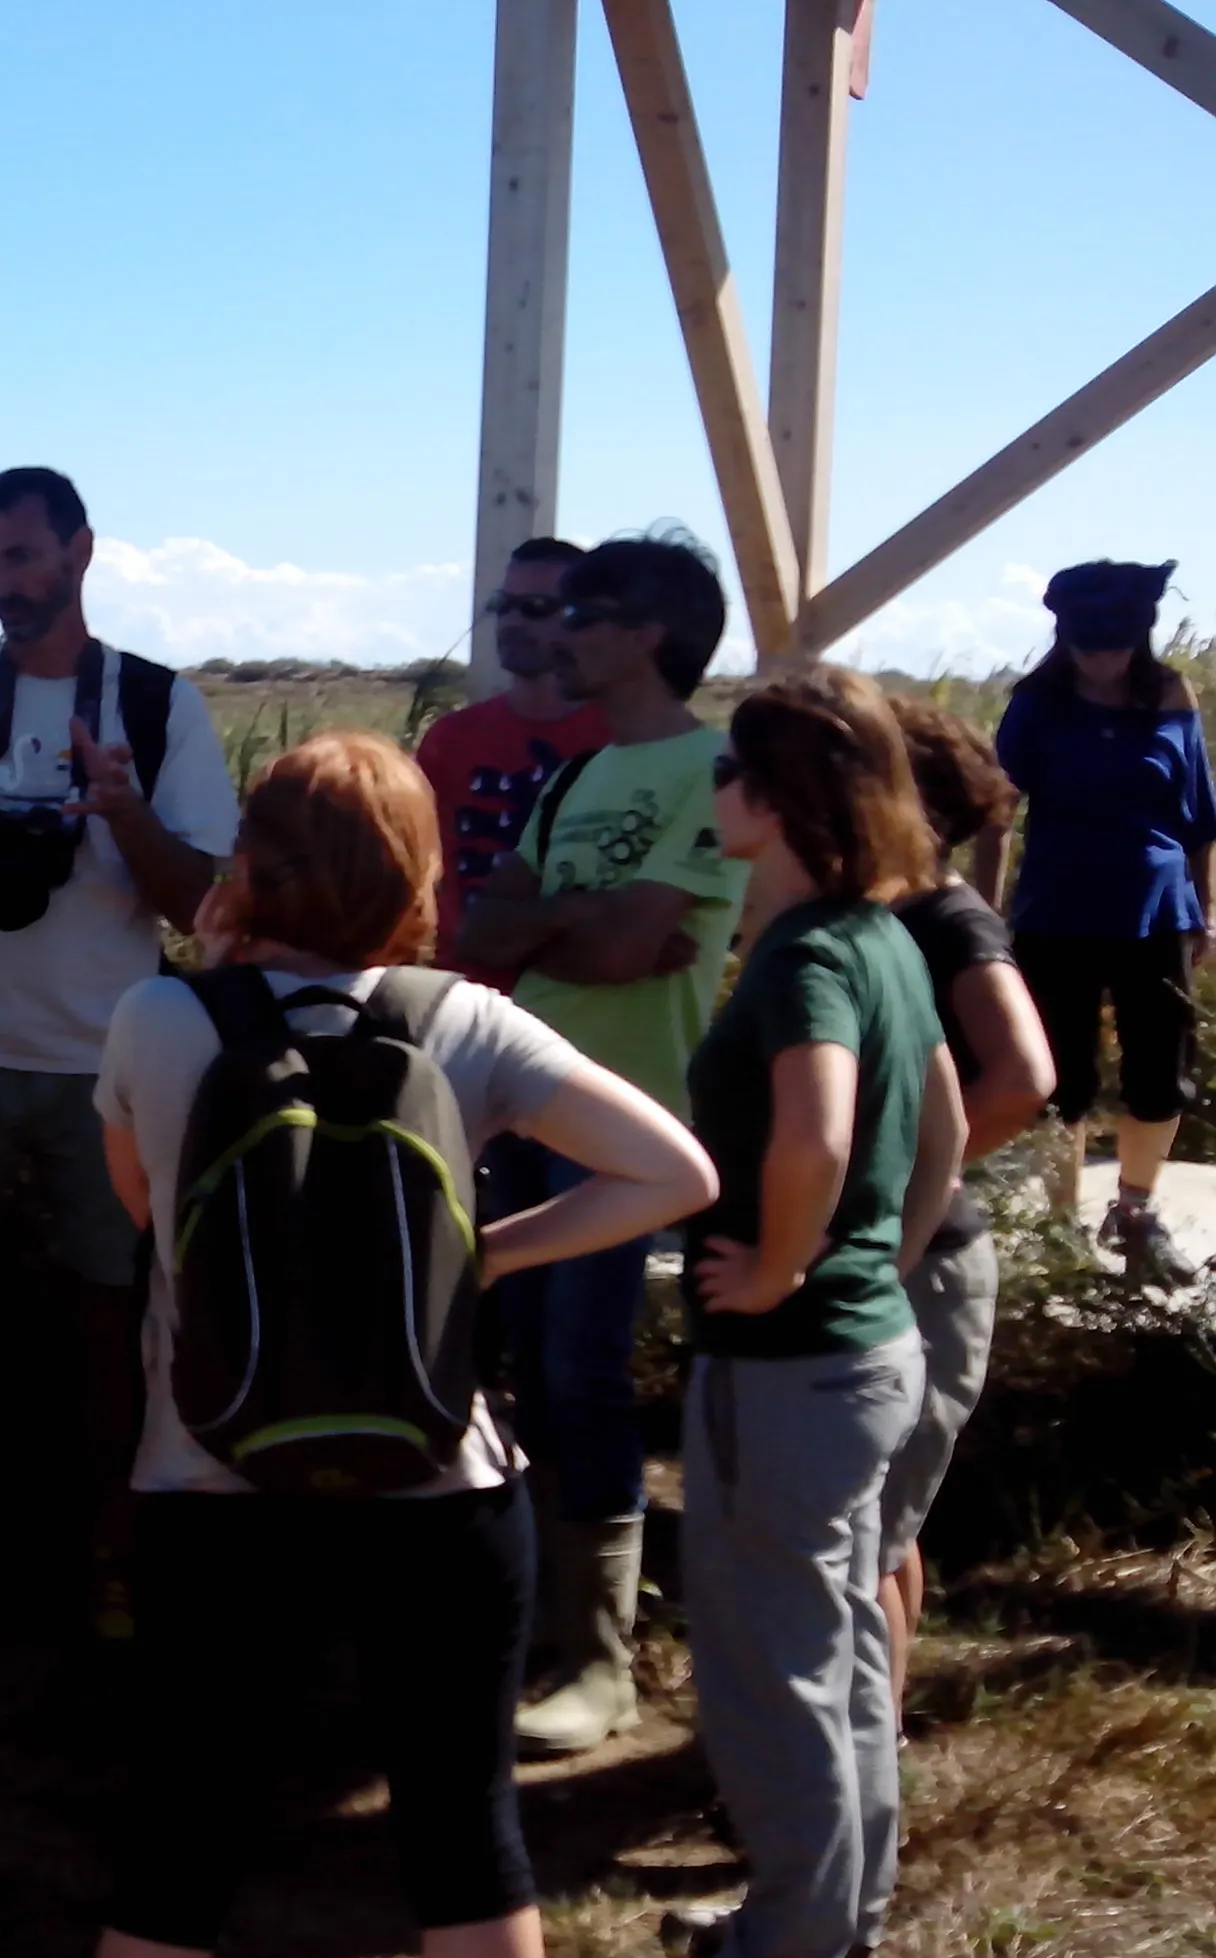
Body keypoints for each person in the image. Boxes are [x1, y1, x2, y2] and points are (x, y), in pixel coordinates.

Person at [89, 731, 715, 1958]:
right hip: (441, 1477)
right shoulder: (466, 1023)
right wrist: (486, 1249)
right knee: (463, 1825)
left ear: (251, 866)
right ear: (418, 873)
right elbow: (673, 1171)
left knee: (185, 1826)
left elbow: (151, 1220)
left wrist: (213, 979)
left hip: (211, 1477)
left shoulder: (156, 1019)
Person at [0, 465, 241, 1640]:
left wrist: (121, 809)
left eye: (24, 557)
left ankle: (112, 1556)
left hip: (109, 1062)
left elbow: (200, 908)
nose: (6, 584)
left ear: (80, 551)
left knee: (114, 1319)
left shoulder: (160, 705)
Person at [666, 667, 964, 1958]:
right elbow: (945, 1117)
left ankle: (790, 1940)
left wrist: (788, 1266)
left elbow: (819, 1130)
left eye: (732, 770)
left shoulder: (805, 955)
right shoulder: (890, 933)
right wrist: (878, 1262)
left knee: (775, 1675)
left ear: (783, 797)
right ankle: (832, 1917)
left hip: (786, 1368)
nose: (716, 788)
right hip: (864, 1354)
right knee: (839, 1659)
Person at [454, 531, 751, 1756]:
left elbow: (629, 954)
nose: (556, 628)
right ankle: (549, 1622)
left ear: (650, 633)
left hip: (622, 1122)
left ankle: (602, 1661)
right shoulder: (577, 773)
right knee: (526, 1362)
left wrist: (553, 926)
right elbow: (483, 923)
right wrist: (577, 918)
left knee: (581, 1370)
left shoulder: (709, 768)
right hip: (530, 1101)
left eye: (585, 609)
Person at [881, 695, 1057, 1720]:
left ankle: (853, 1788)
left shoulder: (947, 920)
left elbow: (1024, 1074)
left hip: (925, 1264)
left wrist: (902, 1184)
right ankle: (875, 1753)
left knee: (863, 1541)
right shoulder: (892, 915)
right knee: (882, 1534)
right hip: (911, 1256)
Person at [982, 558, 1212, 1279]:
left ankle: (1134, 1216)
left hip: (1159, 913)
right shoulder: (1038, 701)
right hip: (1058, 912)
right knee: (1062, 1078)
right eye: (1088, 645)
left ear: (1139, 638)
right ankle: (1059, 1228)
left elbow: (1202, 817)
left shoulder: (1171, 694)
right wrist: (983, 919)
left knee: (1159, 1073)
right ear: (1064, 636)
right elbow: (995, 812)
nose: (1103, 659)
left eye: (1115, 644)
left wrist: (1207, 911)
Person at [417, 535, 609, 990]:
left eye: (538, 607)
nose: (513, 621)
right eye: (505, 605)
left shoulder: (617, 739)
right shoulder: (452, 739)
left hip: (578, 999)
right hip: (462, 999)